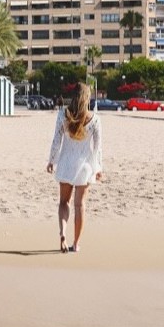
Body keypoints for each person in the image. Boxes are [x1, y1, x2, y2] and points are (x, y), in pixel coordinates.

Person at [45, 82, 105, 253]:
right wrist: (98, 168)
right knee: (80, 206)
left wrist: (51, 161)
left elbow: (56, 141)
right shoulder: (94, 119)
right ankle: (76, 243)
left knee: (64, 202)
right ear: (87, 98)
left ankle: (62, 234)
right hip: (85, 167)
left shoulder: (63, 115)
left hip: (65, 164)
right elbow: (98, 147)